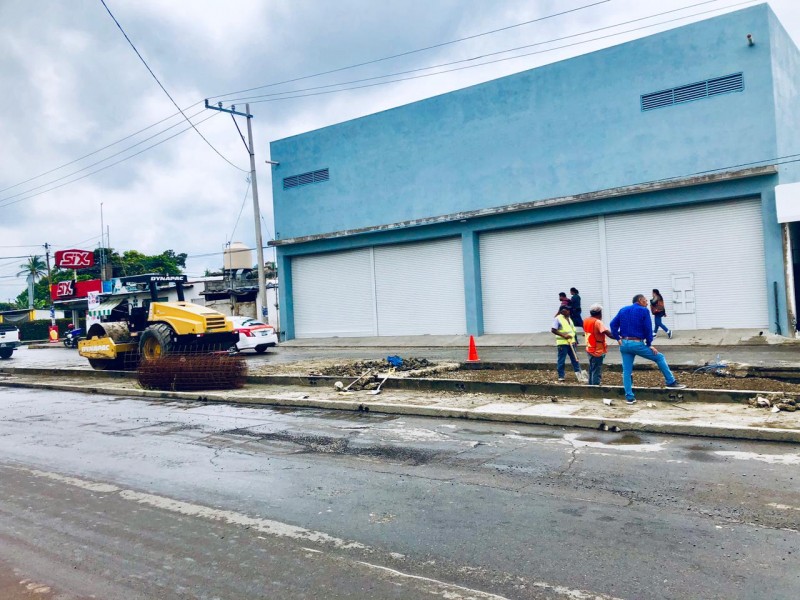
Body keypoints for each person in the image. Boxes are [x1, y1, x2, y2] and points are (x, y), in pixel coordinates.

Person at [609, 294, 686, 405]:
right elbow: (648, 328)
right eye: (645, 300)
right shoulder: (643, 311)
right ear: (640, 300)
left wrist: (617, 338)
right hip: (636, 343)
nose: (647, 303)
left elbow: (613, 324)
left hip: (624, 344)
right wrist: (649, 344)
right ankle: (670, 382)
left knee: (626, 371)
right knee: (659, 357)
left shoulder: (623, 310)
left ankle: (629, 398)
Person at [583, 304, 617, 385]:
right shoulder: (598, 322)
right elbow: (609, 334)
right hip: (597, 350)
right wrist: (621, 336)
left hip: (589, 347)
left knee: (592, 369)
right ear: (599, 313)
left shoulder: (586, 320)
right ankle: (595, 388)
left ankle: (590, 386)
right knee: (596, 370)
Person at [551, 304, 582, 382]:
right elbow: (553, 330)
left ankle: (579, 375)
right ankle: (561, 376)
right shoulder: (558, 319)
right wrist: (564, 335)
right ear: (562, 311)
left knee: (575, 359)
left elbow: (572, 331)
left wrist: (575, 341)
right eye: (567, 310)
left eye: (569, 310)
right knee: (561, 360)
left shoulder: (569, 318)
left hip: (572, 342)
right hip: (562, 343)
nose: (569, 311)